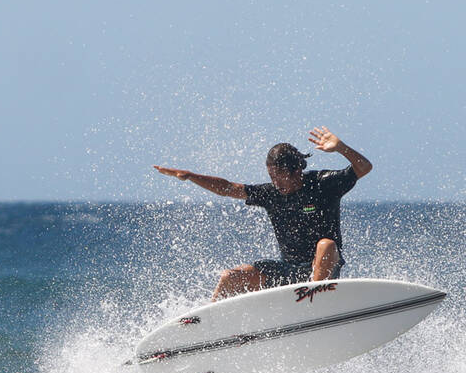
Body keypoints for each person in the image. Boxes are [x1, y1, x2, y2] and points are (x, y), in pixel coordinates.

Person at [154, 126, 372, 300]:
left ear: (297, 170)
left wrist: (341, 147)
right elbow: (229, 188)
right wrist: (191, 176)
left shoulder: (323, 184)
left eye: (280, 176)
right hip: (288, 272)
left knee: (326, 244)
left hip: (322, 269)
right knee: (231, 277)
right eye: (271, 176)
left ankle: (312, 301)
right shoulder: (271, 194)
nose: (275, 183)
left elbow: (364, 168)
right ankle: (208, 327)